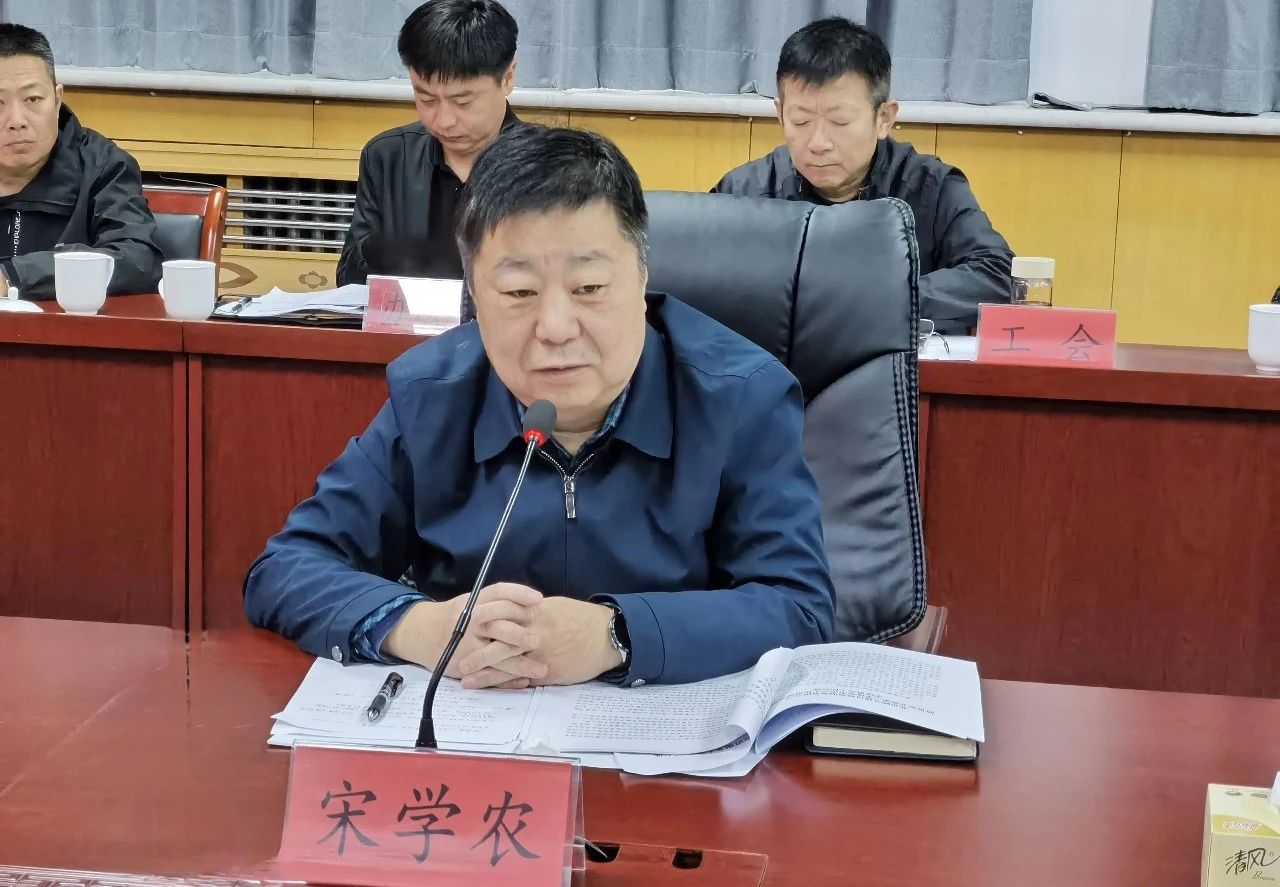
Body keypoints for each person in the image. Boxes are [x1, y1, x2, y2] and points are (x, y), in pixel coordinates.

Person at [246, 125, 835, 690]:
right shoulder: (431, 395)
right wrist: (423, 629)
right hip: (473, 735)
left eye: (589, 288)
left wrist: (616, 635)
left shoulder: (741, 398)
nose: (555, 327)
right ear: (475, 297)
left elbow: (798, 607)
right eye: (519, 293)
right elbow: (287, 567)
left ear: (642, 278)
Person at [713, 18, 1012, 334]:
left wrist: (883, 299)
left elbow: (997, 275)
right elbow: (695, 277)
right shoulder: (744, 192)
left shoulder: (932, 187)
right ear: (780, 114)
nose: (818, 144)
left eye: (840, 122)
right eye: (800, 122)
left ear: (884, 118)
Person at [336, 0, 524, 312]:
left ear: (507, 78)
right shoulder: (388, 157)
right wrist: (387, 250)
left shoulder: (551, 165)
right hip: (409, 336)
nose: (443, 121)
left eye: (462, 101)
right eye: (426, 99)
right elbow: (348, 282)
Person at [0, 24, 160, 299]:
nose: (17, 121)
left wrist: (12, 277)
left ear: (57, 100)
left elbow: (138, 258)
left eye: (32, 99)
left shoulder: (103, 166)